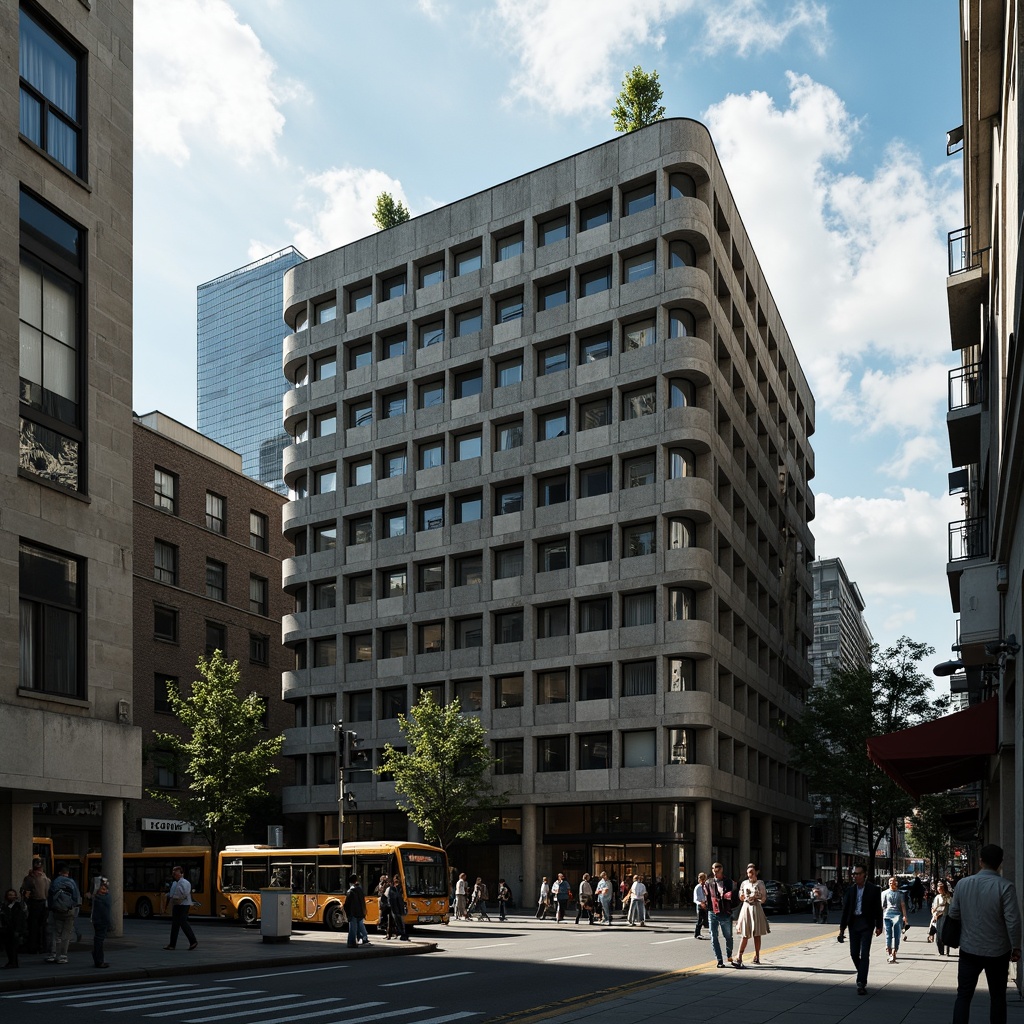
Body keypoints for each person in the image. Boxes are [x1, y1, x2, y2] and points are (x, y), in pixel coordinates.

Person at [947, 843, 1022, 1024]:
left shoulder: (963, 884)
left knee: (963, 996)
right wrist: (1016, 947)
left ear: (980, 861)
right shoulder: (1006, 887)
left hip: (969, 948)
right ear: (1000, 863)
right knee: (997, 997)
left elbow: (953, 914)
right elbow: (1013, 921)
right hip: (997, 951)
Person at [838, 863, 883, 995]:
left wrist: (879, 926)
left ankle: (861, 982)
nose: (855, 876)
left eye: (858, 874)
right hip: (854, 924)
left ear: (864, 875)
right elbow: (845, 911)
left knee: (864, 954)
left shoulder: (873, 889)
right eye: (854, 874)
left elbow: (877, 909)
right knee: (853, 953)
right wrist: (842, 929)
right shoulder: (851, 890)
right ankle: (862, 972)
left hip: (867, 924)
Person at [734, 864, 770, 966]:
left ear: (756, 872)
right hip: (746, 908)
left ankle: (757, 955)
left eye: (751, 872)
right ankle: (739, 956)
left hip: (756, 908)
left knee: (757, 933)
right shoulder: (744, 883)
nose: (749, 875)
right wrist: (742, 896)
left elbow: (763, 899)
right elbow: (740, 897)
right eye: (748, 872)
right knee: (744, 933)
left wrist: (756, 897)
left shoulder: (760, 883)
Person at [703, 863, 737, 967]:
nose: (714, 871)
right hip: (712, 912)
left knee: (728, 936)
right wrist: (704, 901)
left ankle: (729, 955)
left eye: (717, 869)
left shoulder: (728, 882)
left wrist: (729, 897)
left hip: (725, 912)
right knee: (714, 936)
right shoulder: (709, 882)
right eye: (713, 869)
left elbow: (735, 896)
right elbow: (706, 895)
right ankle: (719, 960)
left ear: (721, 870)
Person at [45, 864, 81, 964]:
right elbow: (76, 898)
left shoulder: (55, 882)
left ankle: (53, 954)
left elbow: (50, 896)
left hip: (56, 911)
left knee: (56, 933)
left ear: (59, 872)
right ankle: (63, 956)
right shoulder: (72, 882)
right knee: (66, 935)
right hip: (69, 911)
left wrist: (51, 908)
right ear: (67, 873)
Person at [161, 865, 198, 951]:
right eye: (173, 872)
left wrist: (178, 898)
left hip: (183, 905)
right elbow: (172, 894)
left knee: (182, 922)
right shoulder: (175, 883)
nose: (174, 874)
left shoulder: (185, 882)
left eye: (176, 872)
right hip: (176, 904)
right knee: (175, 924)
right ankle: (172, 944)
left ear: (181, 873)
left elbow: (185, 893)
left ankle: (193, 941)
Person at [20, 857, 48, 955]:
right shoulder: (44, 877)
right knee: (40, 926)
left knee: (34, 926)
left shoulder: (31, 878)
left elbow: (24, 891)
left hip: (36, 903)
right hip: (40, 903)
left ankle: (35, 946)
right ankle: (40, 946)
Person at [882, 875, 909, 964]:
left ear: (896, 883)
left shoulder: (900, 893)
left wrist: (905, 916)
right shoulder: (884, 893)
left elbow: (903, 905)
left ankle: (894, 950)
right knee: (888, 934)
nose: (892, 883)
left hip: (897, 916)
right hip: (887, 915)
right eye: (890, 881)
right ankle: (889, 951)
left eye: (893, 881)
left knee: (896, 935)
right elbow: (883, 906)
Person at [1, 889, 27, 968]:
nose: (11, 896)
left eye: (13, 895)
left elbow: (20, 918)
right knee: (8, 946)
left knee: (13, 947)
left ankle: (14, 962)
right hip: (7, 928)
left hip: (15, 928)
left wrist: (19, 930)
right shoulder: (4, 905)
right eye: (9, 895)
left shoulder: (18, 905)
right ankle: (10, 961)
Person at [90, 877, 112, 968]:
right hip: (101, 922)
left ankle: (97, 957)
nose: (105, 891)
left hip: (96, 921)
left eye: (106, 889)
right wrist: (110, 924)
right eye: (103, 889)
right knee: (99, 940)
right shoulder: (104, 899)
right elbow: (106, 913)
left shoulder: (96, 898)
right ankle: (99, 960)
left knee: (98, 940)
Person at [344, 874, 370, 947]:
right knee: (359, 926)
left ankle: (351, 943)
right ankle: (363, 938)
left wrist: (347, 913)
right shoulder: (360, 890)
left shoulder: (350, 892)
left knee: (352, 929)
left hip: (353, 913)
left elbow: (347, 904)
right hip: (359, 912)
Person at [929, 879, 952, 954]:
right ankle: (941, 950)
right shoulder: (937, 897)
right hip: (938, 916)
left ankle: (946, 948)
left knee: (944, 933)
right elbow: (933, 906)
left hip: (946, 916)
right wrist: (933, 913)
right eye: (938, 889)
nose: (939, 890)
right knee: (938, 934)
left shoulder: (948, 897)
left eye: (941, 888)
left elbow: (951, 904)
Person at [386, 875, 410, 941]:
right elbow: (390, 899)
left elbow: (400, 899)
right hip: (394, 908)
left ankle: (402, 934)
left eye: (398, 880)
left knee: (399, 922)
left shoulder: (399, 889)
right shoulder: (392, 889)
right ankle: (392, 934)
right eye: (396, 880)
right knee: (394, 922)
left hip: (398, 908)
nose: (397, 882)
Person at [692, 872, 708, 939]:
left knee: (705, 919)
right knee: (700, 920)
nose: (703, 881)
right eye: (702, 879)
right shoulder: (698, 887)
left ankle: (709, 931)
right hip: (700, 905)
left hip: (705, 904)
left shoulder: (705, 887)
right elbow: (695, 899)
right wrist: (701, 903)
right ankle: (697, 933)